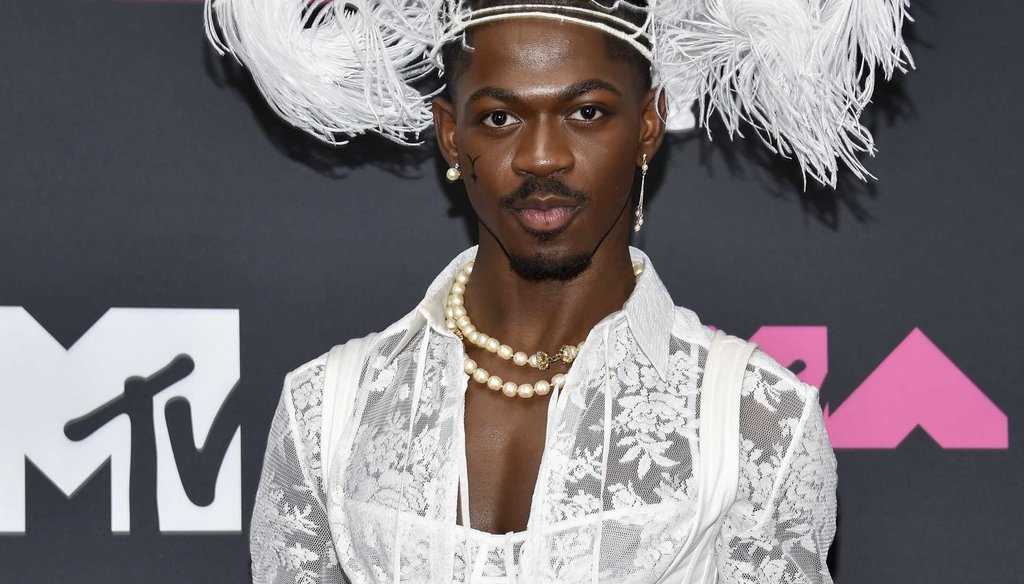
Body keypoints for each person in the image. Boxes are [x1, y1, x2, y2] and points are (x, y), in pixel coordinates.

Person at [203, 1, 911, 582]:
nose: (542, 157)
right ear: (450, 137)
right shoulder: (329, 408)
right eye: (500, 118)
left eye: (587, 113)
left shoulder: (756, 423)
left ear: (649, 125)